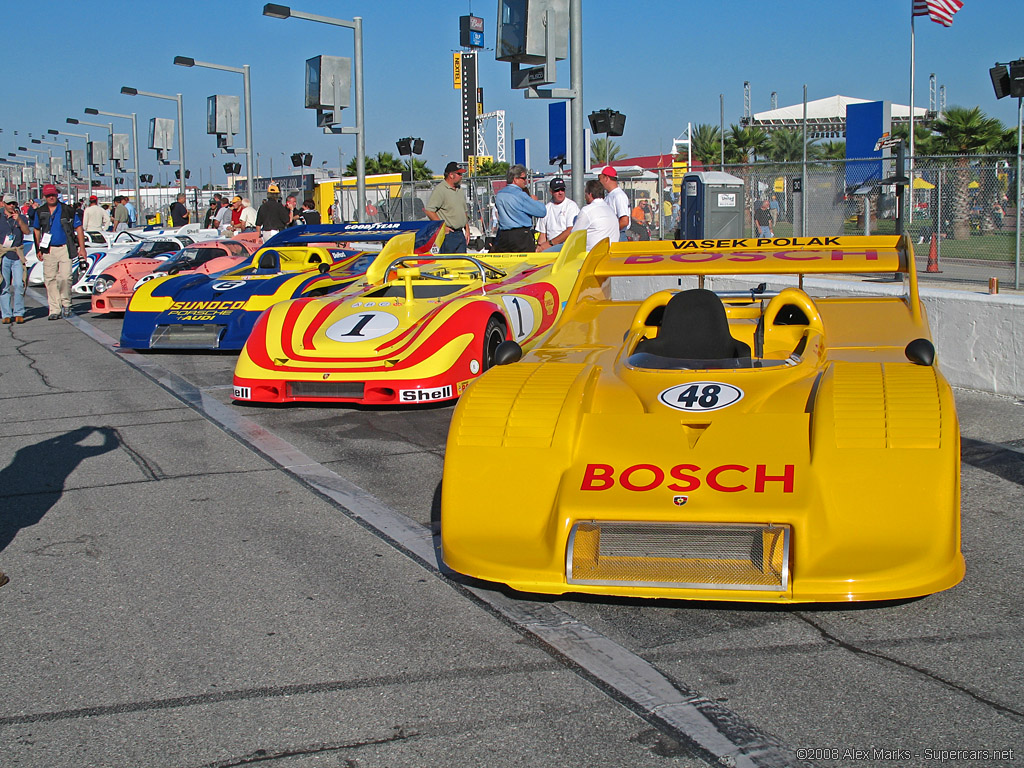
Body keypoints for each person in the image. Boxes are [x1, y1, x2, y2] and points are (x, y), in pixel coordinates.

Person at [31, 184, 86, 320]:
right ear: (44, 197)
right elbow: (37, 230)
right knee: (50, 279)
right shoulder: (40, 211)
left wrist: (82, 248)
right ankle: (54, 309)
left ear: (57, 195)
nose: (51, 197)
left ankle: (66, 303)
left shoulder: (67, 210)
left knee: (65, 277)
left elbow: (78, 228)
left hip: (65, 248)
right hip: (48, 250)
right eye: (48, 195)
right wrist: (38, 248)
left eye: (53, 195)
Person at [493, 164, 546, 252]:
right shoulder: (520, 195)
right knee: (525, 264)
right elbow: (542, 212)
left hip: (504, 236)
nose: (525, 181)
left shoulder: (500, 195)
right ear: (515, 179)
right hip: (521, 236)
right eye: (523, 178)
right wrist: (534, 201)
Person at [424, 161, 470, 253]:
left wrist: (467, 230)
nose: (461, 176)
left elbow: (463, 211)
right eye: (459, 174)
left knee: (462, 265)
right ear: (451, 175)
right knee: (448, 265)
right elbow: (429, 210)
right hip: (448, 235)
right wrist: (442, 227)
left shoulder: (460, 189)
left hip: (460, 234)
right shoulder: (441, 190)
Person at [1, 194, 30, 324]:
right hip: (3, 255)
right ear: (4, 204)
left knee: (19, 284)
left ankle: (19, 312)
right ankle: (6, 313)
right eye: (9, 204)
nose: (11, 206)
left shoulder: (21, 217)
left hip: (17, 254)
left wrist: (19, 220)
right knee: (4, 286)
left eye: (13, 203)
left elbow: (26, 231)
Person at [570, 179, 619, 251]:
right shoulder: (610, 210)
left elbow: (574, 236)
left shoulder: (587, 210)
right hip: (610, 254)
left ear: (590, 194)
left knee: (554, 249)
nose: (585, 197)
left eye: (585, 194)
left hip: (591, 256)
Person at [535, 177, 580, 251]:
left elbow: (570, 230)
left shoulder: (571, 206)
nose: (560, 192)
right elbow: (543, 234)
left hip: (567, 246)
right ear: (551, 191)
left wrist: (550, 244)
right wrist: (540, 248)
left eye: (562, 189)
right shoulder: (546, 208)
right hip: (551, 247)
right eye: (557, 190)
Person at [598, 166, 630, 233]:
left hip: (618, 235)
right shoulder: (610, 195)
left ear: (606, 178)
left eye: (599, 178)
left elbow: (624, 221)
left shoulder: (619, 195)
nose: (599, 182)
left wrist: (610, 232)